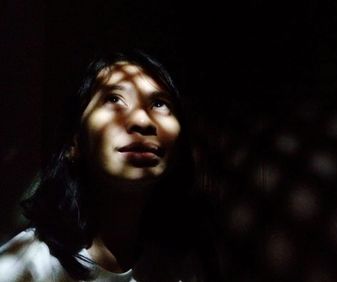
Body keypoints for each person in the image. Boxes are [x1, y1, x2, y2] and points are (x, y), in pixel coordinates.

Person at [0, 50, 220, 281]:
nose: (143, 121)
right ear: (74, 142)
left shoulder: (184, 264)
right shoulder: (26, 268)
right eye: (114, 99)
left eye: (159, 103)